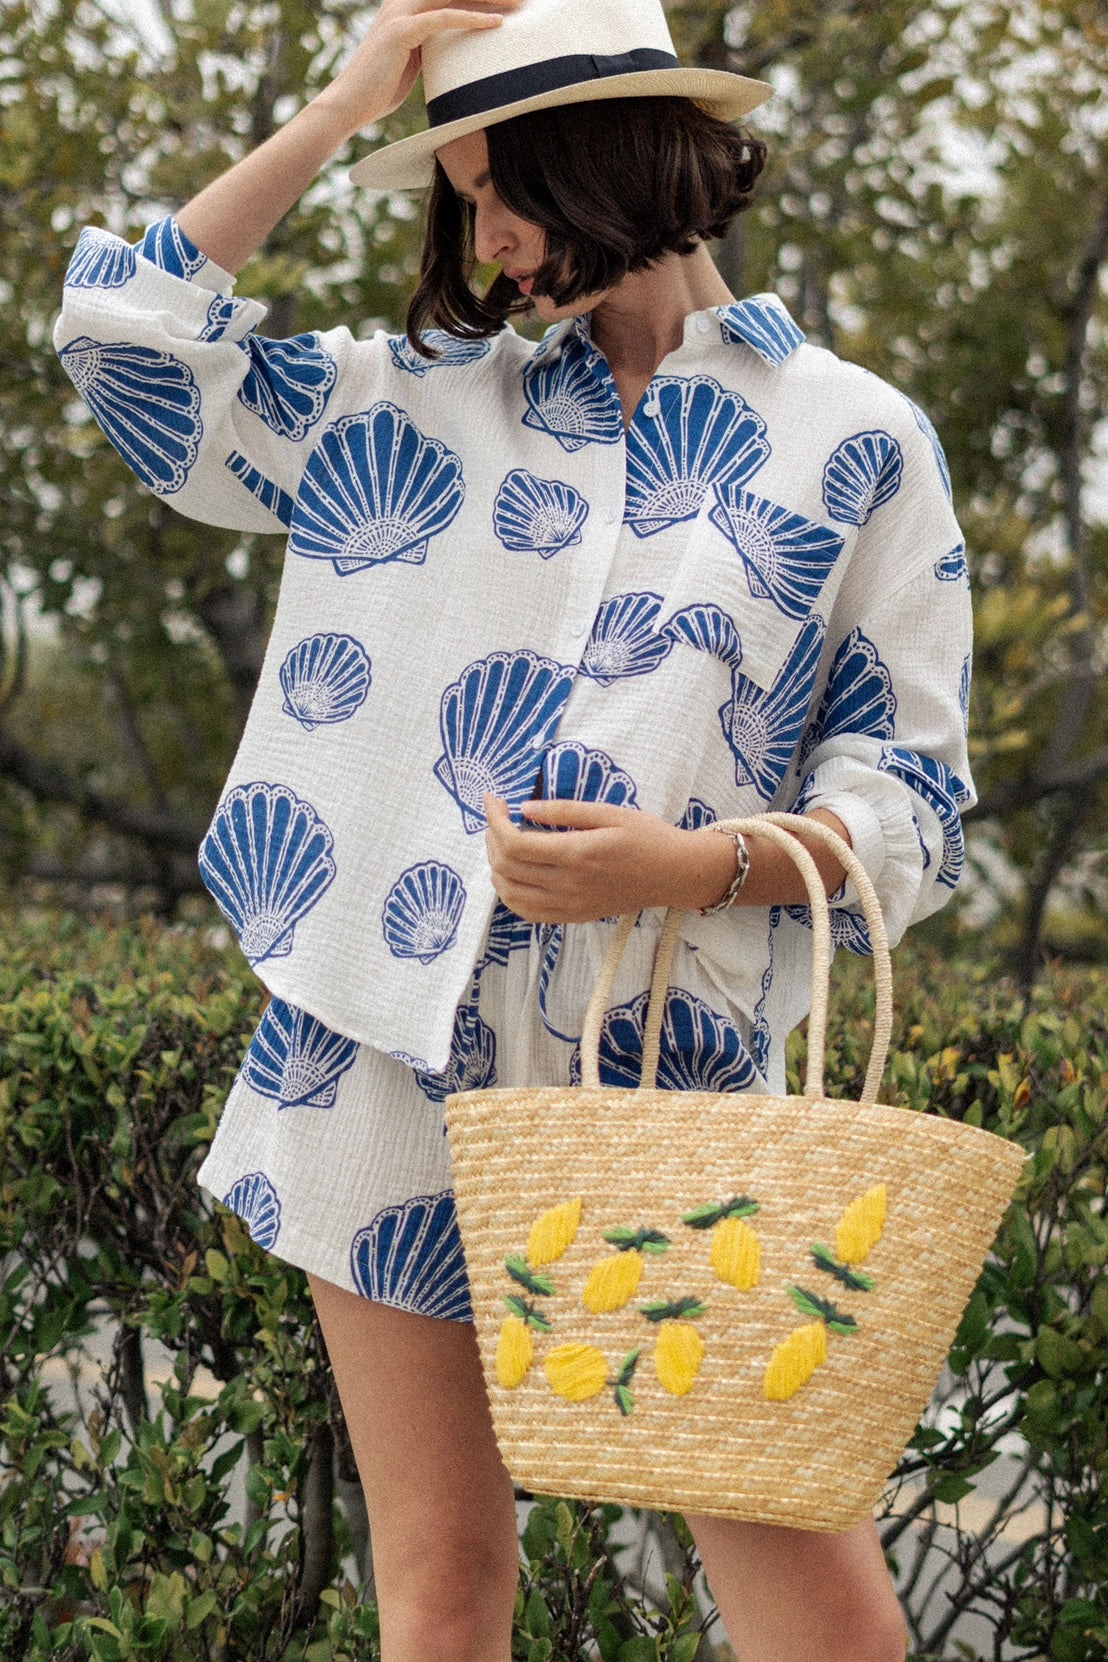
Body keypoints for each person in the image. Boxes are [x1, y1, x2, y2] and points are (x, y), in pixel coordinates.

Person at [55, 1, 974, 1655]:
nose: (483, 241)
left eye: (502, 191)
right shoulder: (406, 408)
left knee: (817, 1607)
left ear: (611, 159)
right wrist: (345, 103)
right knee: (442, 1584)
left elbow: (914, 797)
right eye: (460, 197)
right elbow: (128, 344)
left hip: (666, 1072)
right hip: (379, 1054)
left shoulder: (856, 440)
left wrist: (701, 867)